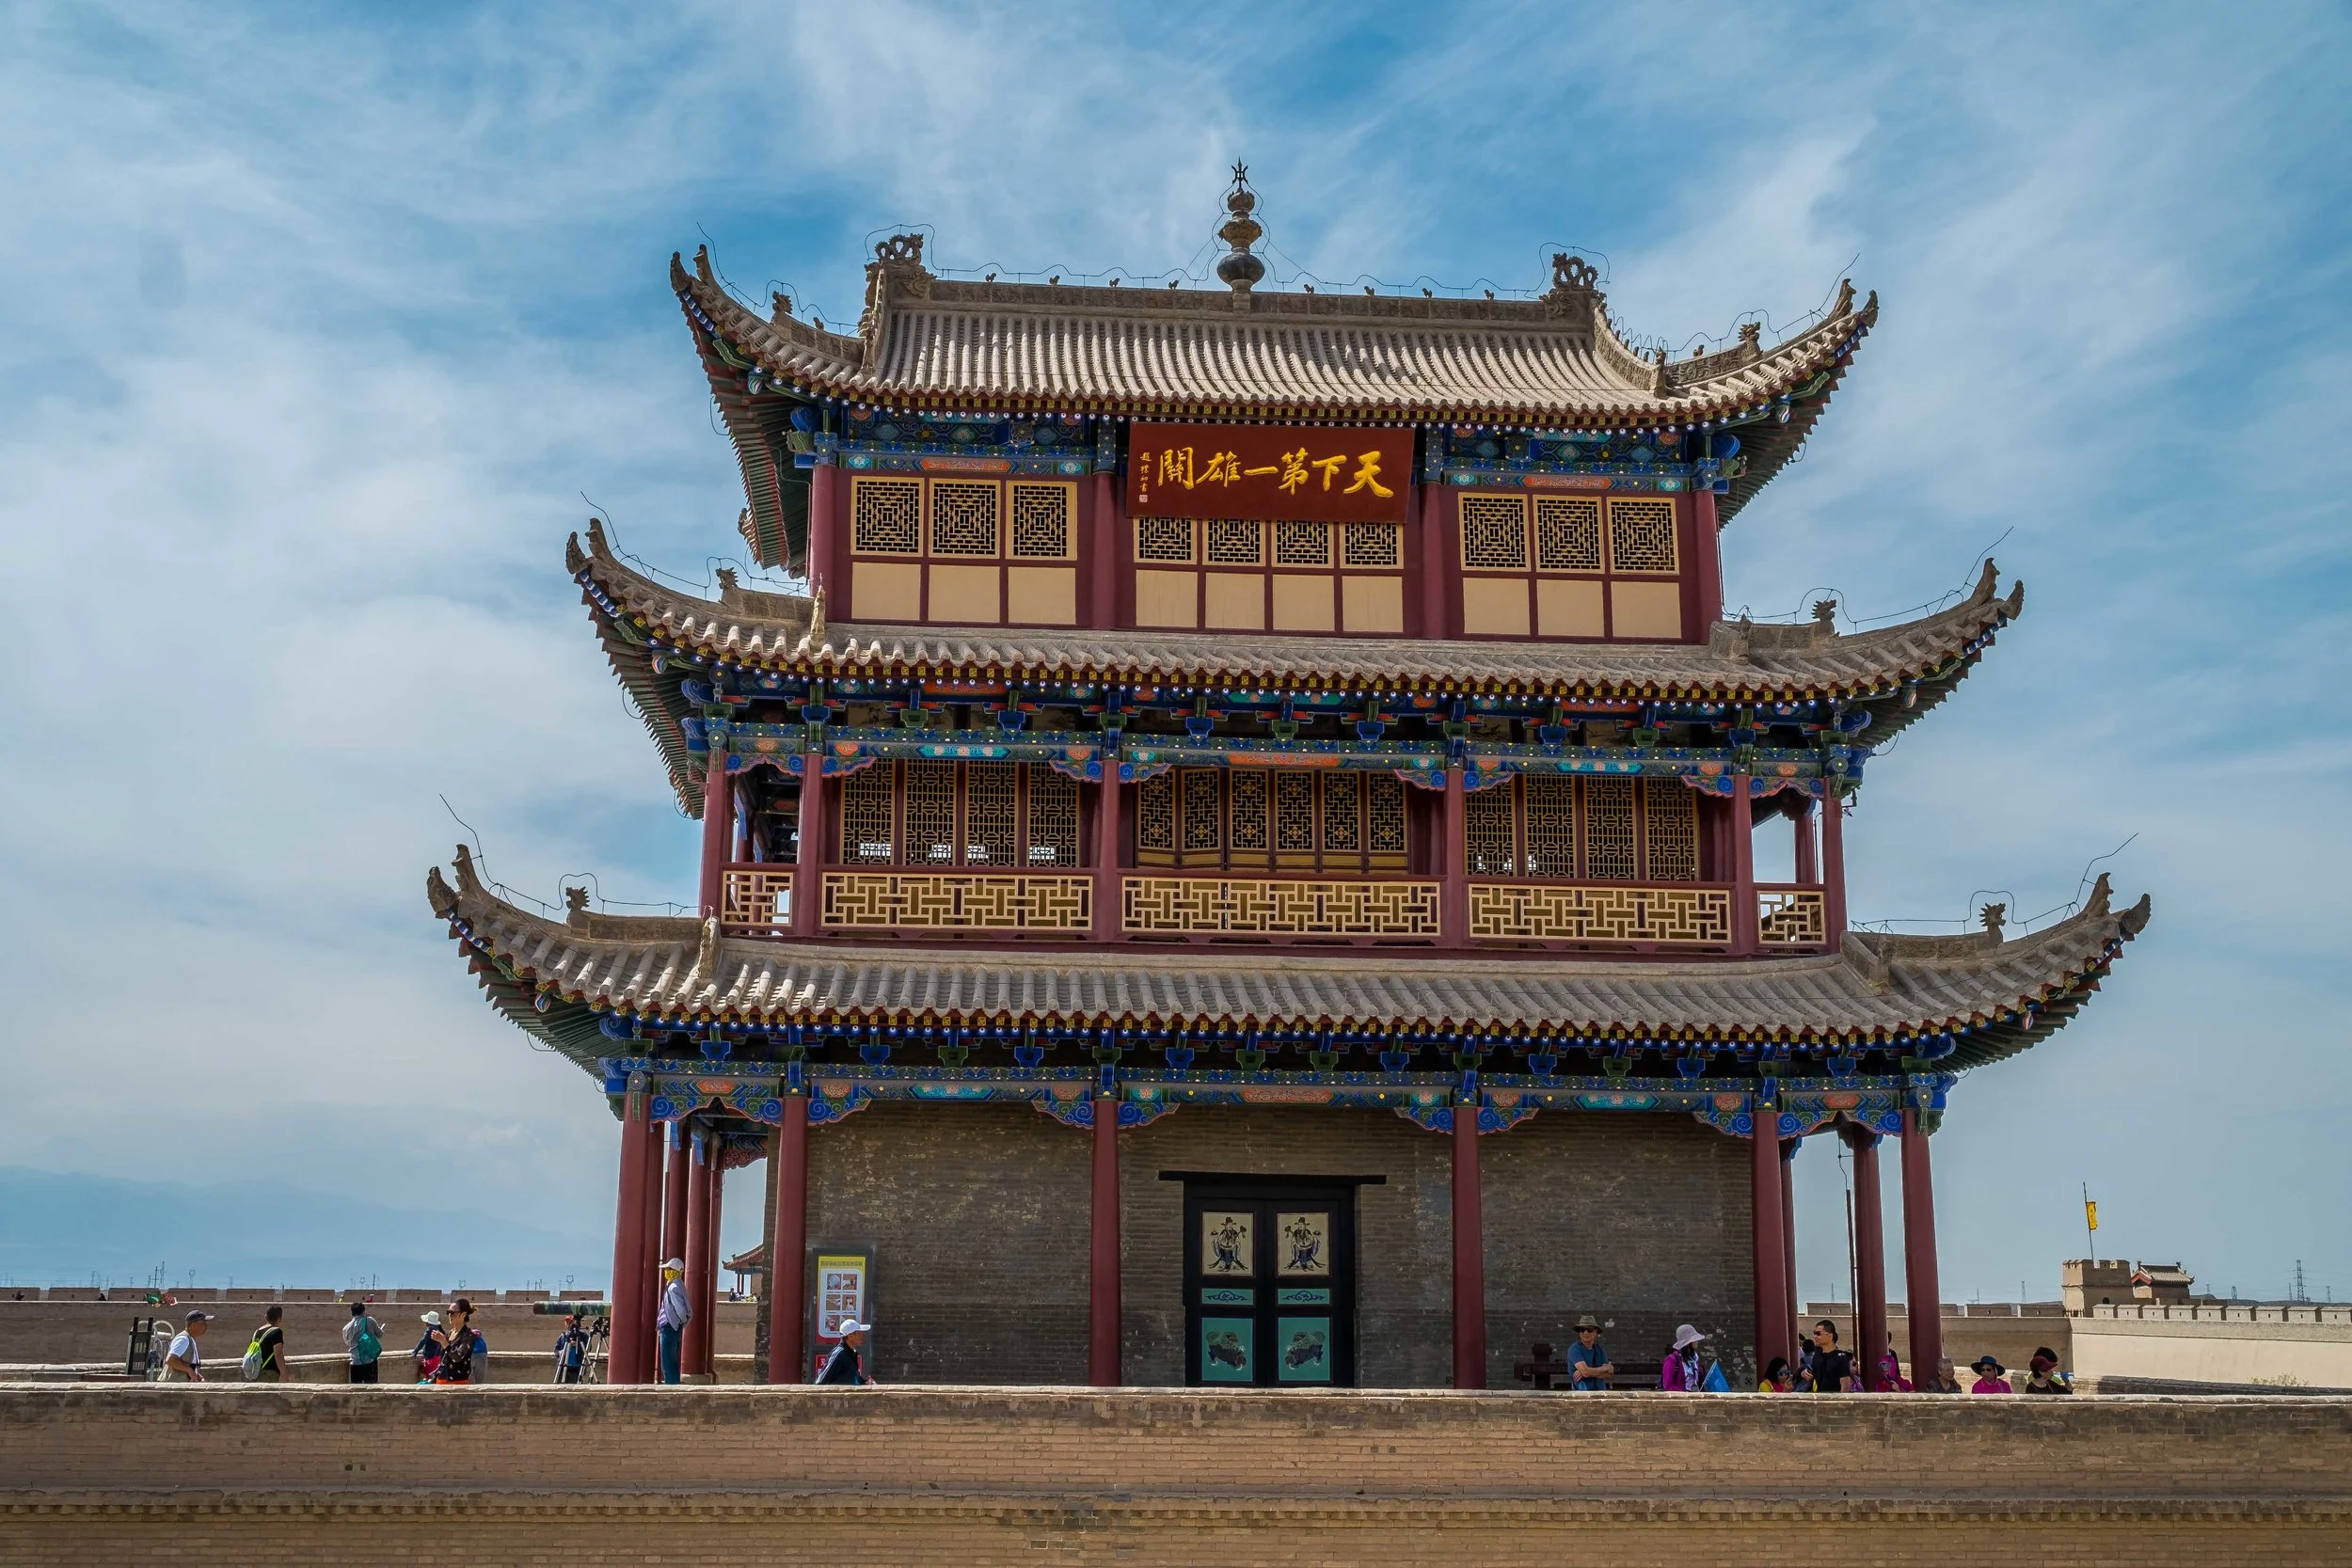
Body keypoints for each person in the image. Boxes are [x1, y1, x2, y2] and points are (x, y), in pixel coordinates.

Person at [657, 1258, 691, 1385]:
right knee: (671, 1357)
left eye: (668, 1269)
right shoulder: (679, 1285)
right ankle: (673, 1382)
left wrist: (680, 1322)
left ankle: (671, 1385)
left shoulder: (673, 1288)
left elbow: (680, 1308)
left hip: (670, 1326)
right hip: (673, 1326)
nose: (666, 1271)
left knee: (667, 1359)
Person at [1798, 1320, 1857, 1392]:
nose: (1815, 1337)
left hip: (1834, 1400)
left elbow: (1845, 1386)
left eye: (1818, 1333)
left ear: (1830, 1336)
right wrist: (1804, 1373)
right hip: (1818, 1399)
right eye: (1814, 1333)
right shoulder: (1817, 1354)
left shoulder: (1841, 1357)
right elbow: (1813, 1374)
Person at [816, 1319, 877, 1386]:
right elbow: (820, 1382)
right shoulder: (838, 1354)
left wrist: (865, 1382)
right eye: (859, 1332)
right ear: (850, 1336)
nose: (862, 1335)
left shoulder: (852, 1352)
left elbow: (852, 1379)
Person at [432, 1299, 477, 1385]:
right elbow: (443, 1360)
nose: (449, 1315)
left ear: (463, 1315)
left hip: (457, 1383)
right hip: (441, 1381)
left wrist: (443, 1341)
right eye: (448, 1312)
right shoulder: (449, 1334)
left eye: (453, 1313)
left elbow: (457, 1357)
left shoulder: (468, 1336)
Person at [1565, 1315, 1614, 1391]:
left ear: (1596, 1332)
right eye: (1582, 1330)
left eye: (1589, 1329)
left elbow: (1609, 1375)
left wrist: (1588, 1372)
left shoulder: (1600, 1349)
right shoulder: (1574, 1349)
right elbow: (1585, 1372)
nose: (1585, 1332)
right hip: (1582, 1396)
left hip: (1601, 1395)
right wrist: (1603, 1368)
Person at [160, 1310, 210, 1382]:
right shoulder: (183, 1339)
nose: (205, 1326)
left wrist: (198, 1376)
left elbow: (187, 1364)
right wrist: (189, 1370)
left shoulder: (190, 1339)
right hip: (175, 1386)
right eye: (203, 1323)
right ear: (193, 1325)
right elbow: (170, 1360)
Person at [343, 1301, 387, 1385]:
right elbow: (380, 1335)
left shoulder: (346, 1328)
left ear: (352, 1312)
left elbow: (347, 1342)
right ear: (363, 1311)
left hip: (355, 1362)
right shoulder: (370, 1320)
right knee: (372, 1389)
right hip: (370, 1361)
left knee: (356, 1390)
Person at [1660, 1323, 1708, 1391]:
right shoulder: (1671, 1360)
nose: (1697, 1342)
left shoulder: (1695, 1360)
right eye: (1694, 1339)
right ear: (1688, 1342)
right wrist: (1685, 1394)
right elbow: (1668, 1386)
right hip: (1680, 1400)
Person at [249, 1305, 289, 1383]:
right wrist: (284, 1374)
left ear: (266, 1317)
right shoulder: (276, 1331)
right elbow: (278, 1355)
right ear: (279, 1318)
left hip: (253, 1373)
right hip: (269, 1374)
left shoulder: (256, 1332)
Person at [553, 1313, 590, 1385]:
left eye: (571, 1322)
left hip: (576, 1368)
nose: (569, 1324)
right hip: (563, 1367)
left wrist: (578, 1345)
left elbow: (588, 1347)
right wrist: (560, 1353)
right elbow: (556, 1349)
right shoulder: (563, 1336)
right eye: (567, 1322)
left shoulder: (582, 1335)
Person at [413, 1310, 447, 1382]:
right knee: (434, 1378)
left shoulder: (430, 1330)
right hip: (438, 1357)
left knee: (428, 1378)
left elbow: (423, 1341)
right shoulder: (439, 1329)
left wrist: (415, 1351)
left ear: (428, 1322)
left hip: (430, 1358)